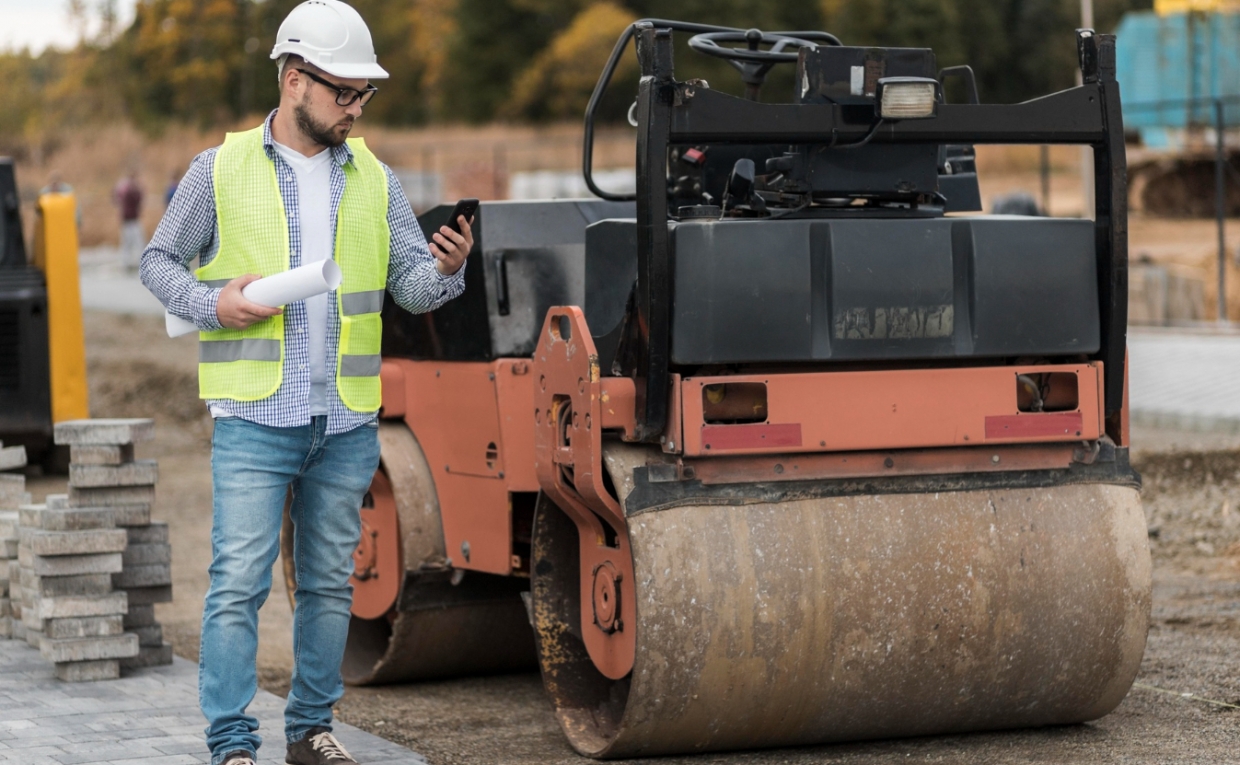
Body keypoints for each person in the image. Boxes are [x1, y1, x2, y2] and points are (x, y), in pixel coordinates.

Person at [139, 2, 473, 764]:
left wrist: (445, 271)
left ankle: (310, 730)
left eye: (365, 96)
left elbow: (410, 289)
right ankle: (231, 742)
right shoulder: (217, 169)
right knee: (237, 587)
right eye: (345, 93)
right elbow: (158, 262)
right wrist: (210, 303)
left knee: (329, 586)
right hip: (255, 415)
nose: (356, 108)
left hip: (346, 420)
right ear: (295, 80)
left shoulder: (375, 179)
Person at [114, 170, 144, 271]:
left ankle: (128, 262)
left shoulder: (122, 189)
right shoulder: (129, 190)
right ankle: (128, 263)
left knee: (131, 243)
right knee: (133, 242)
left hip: (130, 219)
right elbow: (138, 198)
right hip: (130, 220)